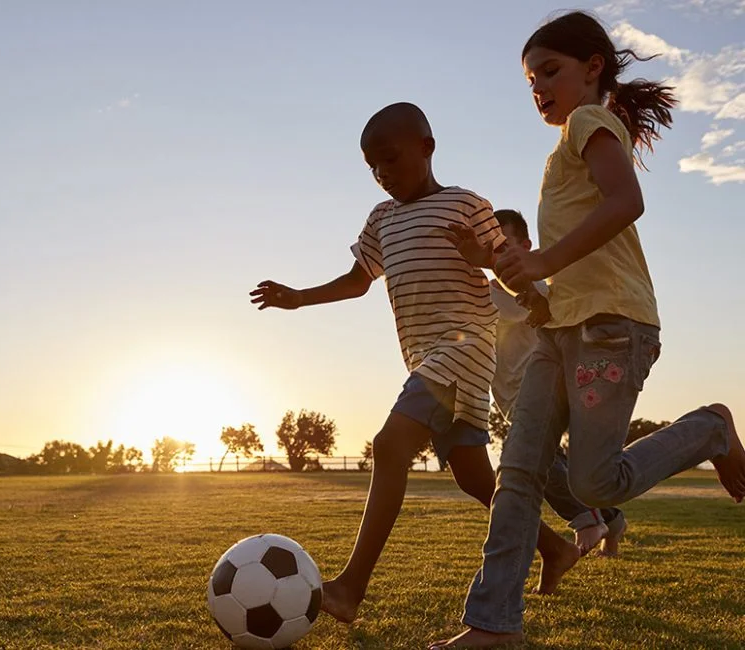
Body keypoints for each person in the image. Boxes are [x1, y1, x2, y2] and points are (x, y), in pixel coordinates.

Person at [431, 11, 745, 649]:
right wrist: (493, 261)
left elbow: (627, 202)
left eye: (550, 70)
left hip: (613, 327)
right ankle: (493, 625)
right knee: (518, 471)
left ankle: (711, 427)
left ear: (593, 68)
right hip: (560, 330)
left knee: (592, 483)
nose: (539, 87)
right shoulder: (565, 146)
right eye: (530, 80)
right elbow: (549, 283)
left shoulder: (589, 122)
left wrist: (542, 258)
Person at [250, 102, 582, 626]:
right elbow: (359, 280)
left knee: (389, 445)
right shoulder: (381, 220)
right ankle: (554, 548)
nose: (382, 173)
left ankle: (350, 588)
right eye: (372, 166)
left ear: (427, 148)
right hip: (425, 357)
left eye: (391, 157)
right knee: (476, 479)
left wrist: (536, 302)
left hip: (465, 348)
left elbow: (507, 265)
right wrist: (298, 297)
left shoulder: (467, 205)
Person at [491, 208, 627, 557]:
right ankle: (612, 520)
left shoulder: (537, 285)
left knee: (531, 460)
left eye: (506, 245)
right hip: (507, 395)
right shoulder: (486, 291)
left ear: (526, 245)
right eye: (492, 248)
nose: (499, 255)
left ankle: (586, 519)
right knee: (558, 464)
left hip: (541, 387)